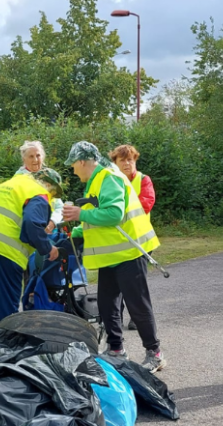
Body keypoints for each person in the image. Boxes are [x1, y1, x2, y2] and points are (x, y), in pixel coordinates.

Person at [62, 141, 165, 372]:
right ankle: (115, 349)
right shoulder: (96, 180)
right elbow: (95, 220)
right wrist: (74, 227)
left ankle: (154, 353)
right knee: (108, 304)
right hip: (112, 255)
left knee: (138, 305)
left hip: (129, 251)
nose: (73, 169)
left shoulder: (108, 177)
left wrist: (80, 213)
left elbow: (114, 214)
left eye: (73, 165)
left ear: (81, 161)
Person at [0, 168, 63, 341]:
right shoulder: (39, 193)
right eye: (53, 193)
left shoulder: (11, 184)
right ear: (49, 185)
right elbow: (31, 224)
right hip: (4, 249)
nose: (52, 197)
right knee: (7, 306)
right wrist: (48, 248)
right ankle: (7, 351)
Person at [109, 144, 155, 331]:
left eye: (130, 159)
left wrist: (116, 211)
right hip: (117, 240)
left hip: (140, 240)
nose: (127, 163)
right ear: (116, 163)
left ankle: (138, 318)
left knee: (137, 284)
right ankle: (115, 317)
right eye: (123, 160)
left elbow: (146, 203)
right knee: (116, 283)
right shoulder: (110, 181)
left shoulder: (144, 180)